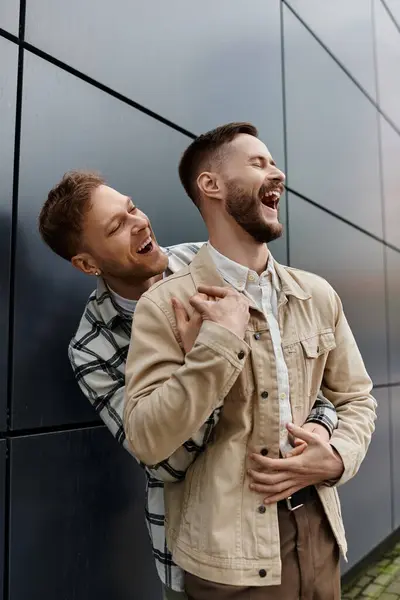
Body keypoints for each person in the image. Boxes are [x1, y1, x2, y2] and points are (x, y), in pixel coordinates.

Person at [38, 171, 338, 600]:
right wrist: (206, 356)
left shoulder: (213, 263)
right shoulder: (92, 349)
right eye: (116, 226)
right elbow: (166, 462)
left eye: (131, 208)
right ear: (88, 264)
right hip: (198, 561)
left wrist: (324, 433)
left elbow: (308, 385)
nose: (139, 222)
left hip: (286, 528)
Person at [123, 122, 377, 600]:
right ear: (211, 185)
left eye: (274, 162)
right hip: (227, 562)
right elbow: (147, 438)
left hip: (321, 535)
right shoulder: (165, 306)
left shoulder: (317, 295)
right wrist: (218, 342)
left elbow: (357, 398)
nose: (277, 173)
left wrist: (337, 455)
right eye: (259, 163)